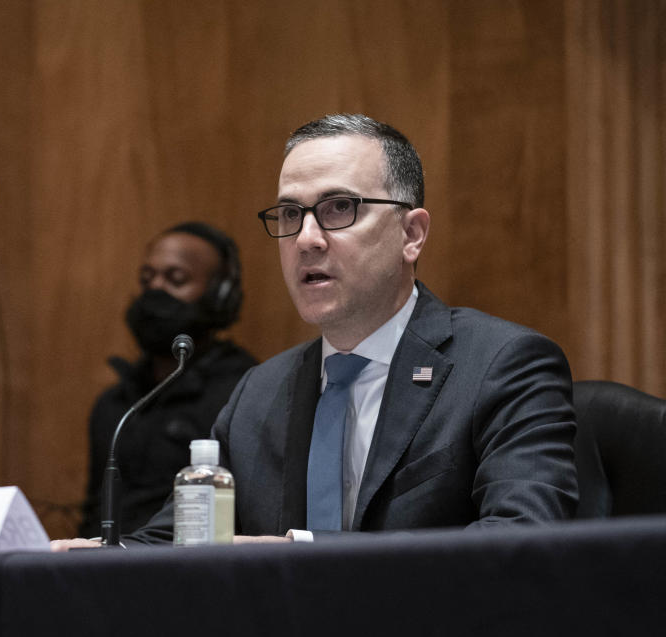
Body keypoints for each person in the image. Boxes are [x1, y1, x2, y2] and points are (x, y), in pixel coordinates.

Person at [53, 113, 577, 550]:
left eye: (338, 209)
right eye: (289, 213)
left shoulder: (502, 365)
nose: (305, 239)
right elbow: (179, 541)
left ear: (411, 234)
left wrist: (302, 554)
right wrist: (100, 557)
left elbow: (523, 541)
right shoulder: (260, 392)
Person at [77, 222, 257, 538]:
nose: (155, 290)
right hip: (104, 573)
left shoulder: (246, 394)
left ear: (220, 295)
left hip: (192, 573)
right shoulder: (115, 404)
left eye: (176, 279)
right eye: (147, 279)